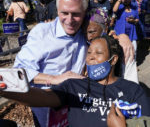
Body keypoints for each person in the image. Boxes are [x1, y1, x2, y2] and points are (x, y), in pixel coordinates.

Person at [13, 0, 135, 127]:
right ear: (57, 9)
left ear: (84, 13)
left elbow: (100, 32)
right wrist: (54, 78)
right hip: (48, 103)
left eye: (76, 14)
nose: (70, 20)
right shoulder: (41, 33)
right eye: (64, 13)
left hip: (78, 103)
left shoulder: (83, 31)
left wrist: (122, 37)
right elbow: (19, 72)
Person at [1, 35, 150, 127]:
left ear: (114, 59)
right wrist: (6, 88)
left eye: (98, 53)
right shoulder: (74, 85)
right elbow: (42, 97)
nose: (90, 57)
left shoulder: (133, 90)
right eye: (89, 52)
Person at [113, 0, 139, 83]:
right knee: (122, 57)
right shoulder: (120, 6)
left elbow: (137, 20)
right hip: (121, 36)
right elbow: (114, 10)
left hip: (132, 36)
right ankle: (122, 77)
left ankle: (131, 78)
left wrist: (133, 20)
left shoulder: (134, 7)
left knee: (133, 55)